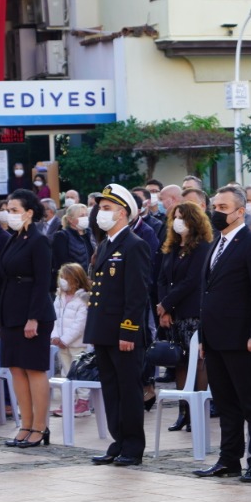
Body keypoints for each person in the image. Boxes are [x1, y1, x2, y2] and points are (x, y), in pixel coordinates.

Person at [192, 187, 251, 483]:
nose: (216, 211)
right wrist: (203, 337)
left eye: (223, 206)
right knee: (226, 402)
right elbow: (208, 292)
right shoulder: (216, 242)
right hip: (215, 338)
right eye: (215, 205)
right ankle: (229, 459)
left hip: (242, 339)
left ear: (240, 211)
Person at [86, 184, 152, 466]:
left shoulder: (134, 245)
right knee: (111, 390)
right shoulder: (106, 244)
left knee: (128, 390)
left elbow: (137, 294)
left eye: (106, 208)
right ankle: (118, 440)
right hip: (103, 330)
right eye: (100, 208)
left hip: (123, 333)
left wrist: (129, 330)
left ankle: (133, 446)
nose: (100, 213)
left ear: (122, 213)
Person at [0, 190, 56, 448]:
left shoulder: (38, 241)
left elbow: (43, 283)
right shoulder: (14, 238)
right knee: (15, 369)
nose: (10, 214)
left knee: (33, 368)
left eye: (15, 210)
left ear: (29, 212)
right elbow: (5, 279)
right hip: (10, 311)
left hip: (33, 312)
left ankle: (40, 427)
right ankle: (26, 424)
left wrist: (33, 317)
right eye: (8, 209)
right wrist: (0, 314)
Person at [155, 201, 212, 432]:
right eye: (175, 217)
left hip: (192, 311)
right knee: (178, 361)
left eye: (182, 217)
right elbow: (160, 279)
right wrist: (164, 308)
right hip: (172, 313)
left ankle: (198, 412)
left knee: (196, 362)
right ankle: (183, 413)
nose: (178, 221)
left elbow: (192, 281)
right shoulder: (171, 247)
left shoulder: (202, 247)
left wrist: (167, 303)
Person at [50, 262, 91, 417]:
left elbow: (79, 324)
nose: (62, 281)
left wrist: (65, 339)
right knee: (66, 372)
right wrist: (55, 336)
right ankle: (69, 400)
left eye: (66, 278)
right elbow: (54, 318)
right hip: (62, 344)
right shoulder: (59, 297)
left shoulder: (82, 300)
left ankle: (83, 402)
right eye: (61, 277)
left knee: (80, 373)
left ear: (76, 280)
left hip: (77, 344)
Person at [51, 203, 92, 271]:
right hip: (72, 278)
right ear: (70, 219)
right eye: (81, 216)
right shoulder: (62, 236)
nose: (85, 218)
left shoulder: (90, 235)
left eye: (86, 215)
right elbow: (62, 263)